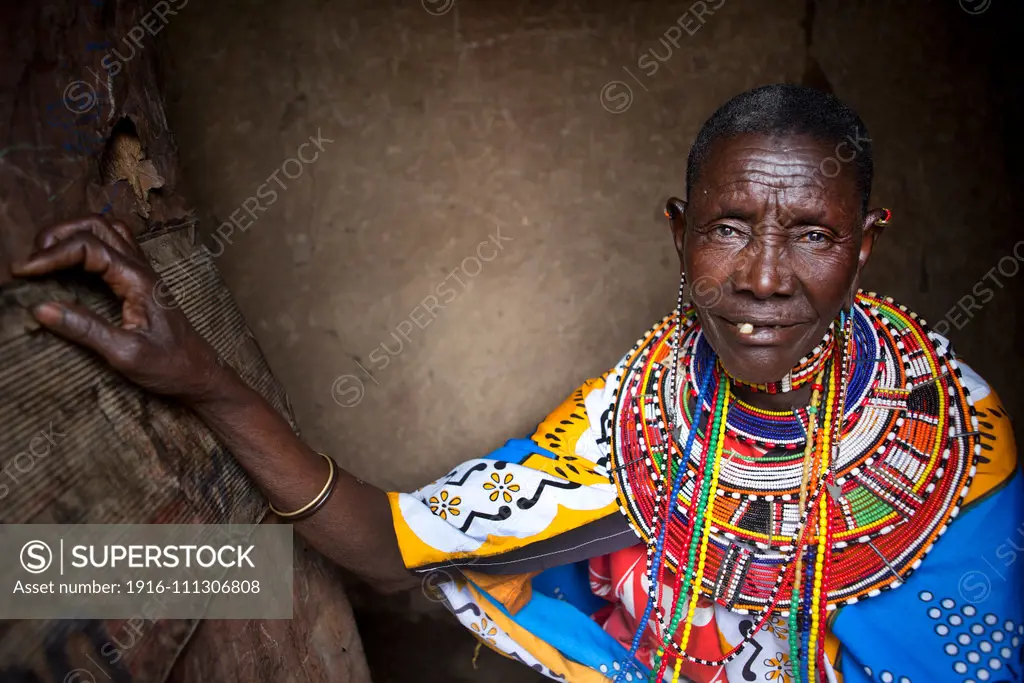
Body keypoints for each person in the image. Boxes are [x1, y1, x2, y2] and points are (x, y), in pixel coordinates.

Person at [11, 84, 1022, 683]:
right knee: (212, 575)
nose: (763, 275)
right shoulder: (637, 415)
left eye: (811, 233)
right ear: (678, 232)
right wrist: (202, 379)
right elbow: (386, 540)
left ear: (864, 248)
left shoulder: (956, 450)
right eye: (726, 227)